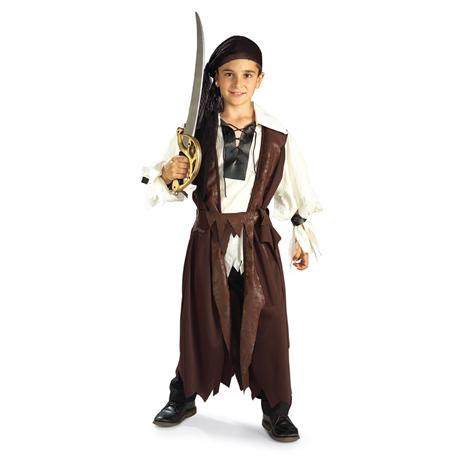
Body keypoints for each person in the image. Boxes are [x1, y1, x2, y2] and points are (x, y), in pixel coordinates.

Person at [141, 35, 323, 442]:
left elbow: (296, 187)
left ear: (260, 79)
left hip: (256, 242)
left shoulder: (276, 133)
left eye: (246, 75)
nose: (237, 83)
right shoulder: (196, 131)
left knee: (269, 324)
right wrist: (169, 173)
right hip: (209, 240)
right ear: (217, 80)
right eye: (228, 74)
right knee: (200, 321)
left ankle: (277, 408)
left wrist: (301, 234)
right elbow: (168, 180)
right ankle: (184, 394)